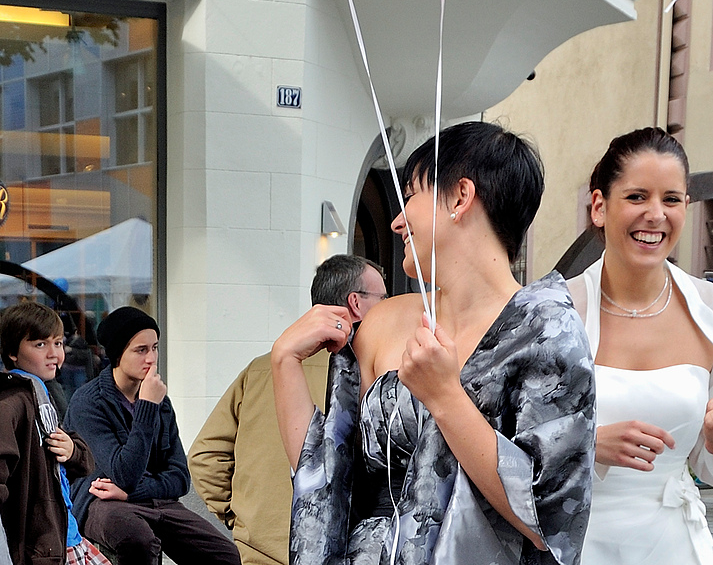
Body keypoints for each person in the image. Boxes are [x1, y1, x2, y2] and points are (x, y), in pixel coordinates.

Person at [272, 120, 596, 565]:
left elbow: (548, 513)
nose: (396, 219)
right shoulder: (383, 321)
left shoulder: (546, 331)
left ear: (460, 198)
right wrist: (284, 361)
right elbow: (326, 478)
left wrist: (445, 395)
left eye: (411, 195)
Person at [567, 127, 713, 565]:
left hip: (673, 545)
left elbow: (703, 464)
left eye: (670, 200)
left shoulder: (708, 312)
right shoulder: (557, 310)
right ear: (599, 206)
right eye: (636, 197)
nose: (655, 215)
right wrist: (584, 445)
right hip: (579, 543)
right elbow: (504, 447)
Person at [188, 255, 387, 565]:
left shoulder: (261, 368)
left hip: (259, 552)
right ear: (355, 303)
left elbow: (204, 458)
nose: (389, 307)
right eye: (384, 298)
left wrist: (246, 519)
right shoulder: (376, 379)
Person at [64, 306, 241, 565]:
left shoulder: (161, 401)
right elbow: (123, 473)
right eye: (140, 350)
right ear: (117, 354)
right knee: (138, 540)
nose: (151, 358)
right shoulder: (89, 402)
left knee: (227, 556)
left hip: (154, 501)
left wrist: (131, 493)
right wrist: (147, 407)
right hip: (100, 504)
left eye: (155, 348)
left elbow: (180, 478)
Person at [0, 301, 112, 565]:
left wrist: (72, 451)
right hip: (41, 546)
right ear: (13, 352)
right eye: (40, 344)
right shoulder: (11, 403)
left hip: (65, 536)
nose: (54, 353)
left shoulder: (44, 393)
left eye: (58, 343)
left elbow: (82, 461)